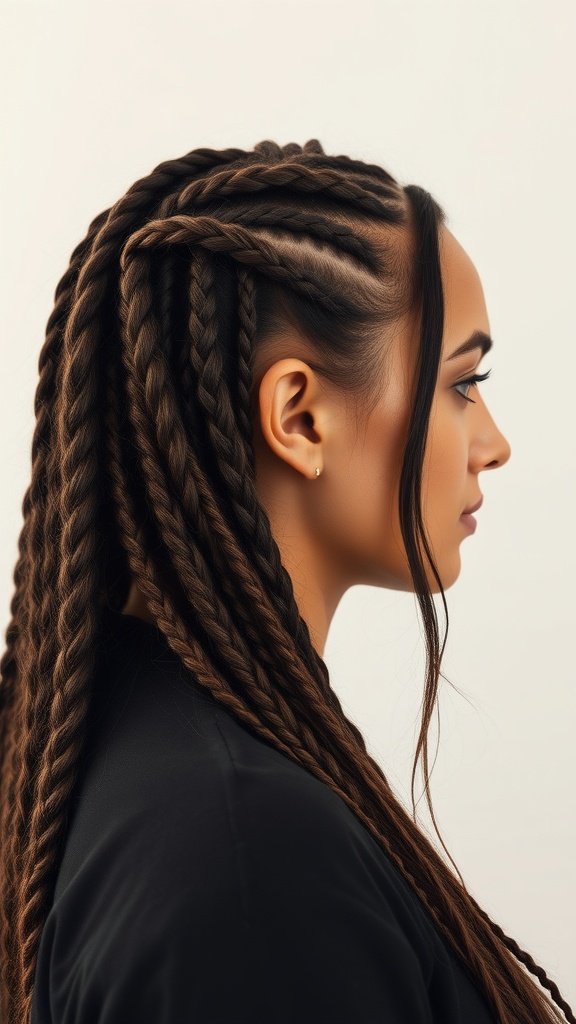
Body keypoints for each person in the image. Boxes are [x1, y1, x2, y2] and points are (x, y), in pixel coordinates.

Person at [0, 138, 572, 1024]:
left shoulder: (153, 761)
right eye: (464, 383)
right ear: (300, 418)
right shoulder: (249, 863)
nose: (494, 444)